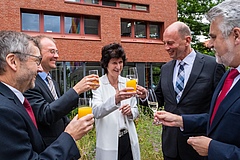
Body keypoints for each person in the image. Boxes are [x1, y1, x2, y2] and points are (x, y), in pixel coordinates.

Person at [154, 1, 240, 159]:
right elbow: (217, 119)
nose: (210, 44)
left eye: (213, 37)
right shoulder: (230, 77)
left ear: (236, 35)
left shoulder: (214, 67)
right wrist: (180, 121)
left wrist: (213, 148)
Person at [0, 30, 94, 159]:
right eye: (36, 60)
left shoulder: (12, 99)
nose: (39, 69)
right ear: (13, 61)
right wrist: (70, 136)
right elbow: (46, 114)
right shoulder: (4, 111)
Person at [140, 21, 225, 160]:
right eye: (164, 43)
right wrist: (145, 95)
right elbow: (159, 97)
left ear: (187, 40)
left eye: (170, 43)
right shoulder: (166, 68)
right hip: (171, 147)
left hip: (199, 147)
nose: (166, 48)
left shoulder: (213, 66)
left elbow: (220, 110)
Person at [24, 35, 99, 146]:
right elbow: (45, 115)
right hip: (46, 149)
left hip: (61, 146)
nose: (57, 56)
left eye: (57, 52)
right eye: (52, 51)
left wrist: (74, 124)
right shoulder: (30, 82)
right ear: (38, 53)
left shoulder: (52, 82)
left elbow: (58, 112)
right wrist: (77, 89)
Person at [91, 43, 140, 160]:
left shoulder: (128, 82)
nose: (118, 67)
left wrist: (130, 112)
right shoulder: (98, 84)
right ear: (106, 64)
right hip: (108, 141)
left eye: (120, 62)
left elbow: (135, 109)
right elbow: (96, 112)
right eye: (114, 63)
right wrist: (115, 99)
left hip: (127, 139)